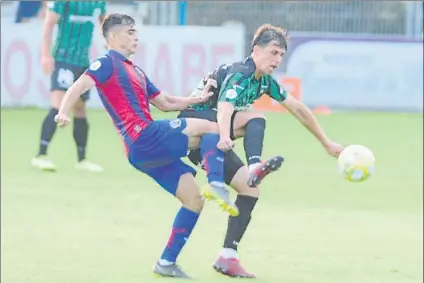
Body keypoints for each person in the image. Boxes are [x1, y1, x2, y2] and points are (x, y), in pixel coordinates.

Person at [54, 13, 239, 279]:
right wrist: (63, 111)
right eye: (130, 32)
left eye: (135, 32)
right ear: (113, 36)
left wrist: (198, 98)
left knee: (193, 200)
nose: (136, 36)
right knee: (211, 128)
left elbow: (165, 102)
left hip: (141, 152)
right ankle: (218, 182)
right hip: (144, 136)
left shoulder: (136, 70)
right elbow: (78, 86)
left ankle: (166, 262)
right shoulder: (106, 63)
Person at [178, 24, 344, 278]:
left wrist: (326, 141)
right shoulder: (241, 73)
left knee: (250, 189)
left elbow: (297, 108)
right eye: (273, 52)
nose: (277, 60)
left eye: (281, 55)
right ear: (256, 49)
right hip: (194, 128)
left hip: (208, 141)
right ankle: (255, 166)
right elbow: (224, 107)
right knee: (256, 119)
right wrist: (224, 136)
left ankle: (228, 256)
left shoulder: (264, 81)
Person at [31, 1, 107, 172]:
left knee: (80, 108)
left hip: (83, 61)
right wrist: (45, 55)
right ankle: (40, 155)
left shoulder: (98, 2)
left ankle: (82, 160)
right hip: (63, 58)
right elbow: (49, 24)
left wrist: (108, 40)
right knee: (58, 105)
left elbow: (104, 20)